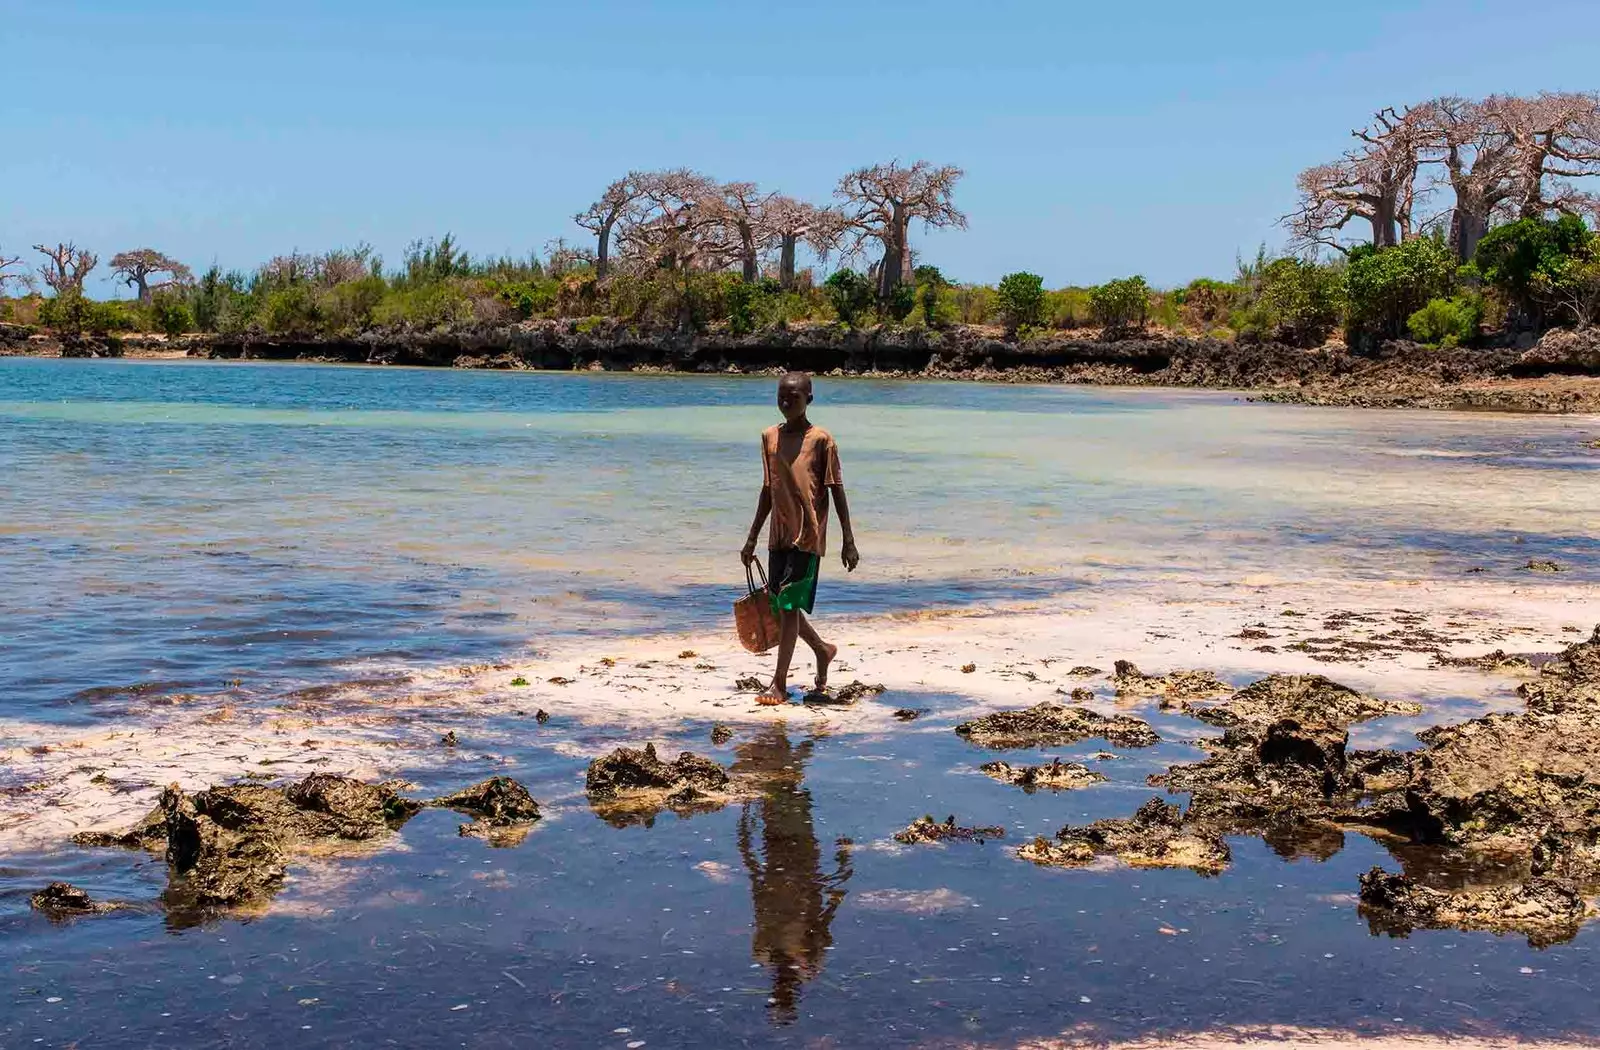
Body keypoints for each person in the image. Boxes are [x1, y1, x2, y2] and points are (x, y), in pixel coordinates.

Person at [740, 372, 859, 705]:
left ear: (809, 398)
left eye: (794, 396)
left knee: (789, 606)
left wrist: (847, 539)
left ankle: (778, 683)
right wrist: (752, 539)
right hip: (778, 536)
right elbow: (768, 490)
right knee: (781, 607)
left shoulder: (822, 440)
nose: (786, 401)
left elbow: (836, 490)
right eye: (781, 395)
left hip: (808, 536)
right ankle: (822, 650)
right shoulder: (768, 438)